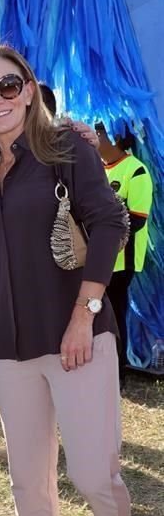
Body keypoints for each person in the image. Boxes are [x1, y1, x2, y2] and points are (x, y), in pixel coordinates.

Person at [0, 44, 139, 516]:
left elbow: (110, 220)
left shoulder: (65, 148)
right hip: (11, 347)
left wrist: (85, 314)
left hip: (76, 337)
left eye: (8, 86)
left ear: (29, 90)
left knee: (92, 471)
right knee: (27, 474)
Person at [95, 122, 153, 382]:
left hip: (122, 261)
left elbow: (137, 219)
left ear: (116, 137)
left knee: (115, 316)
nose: (95, 139)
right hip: (98, 259)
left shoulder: (137, 171)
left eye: (99, 134)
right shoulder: (97, 170)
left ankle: (117, 375)